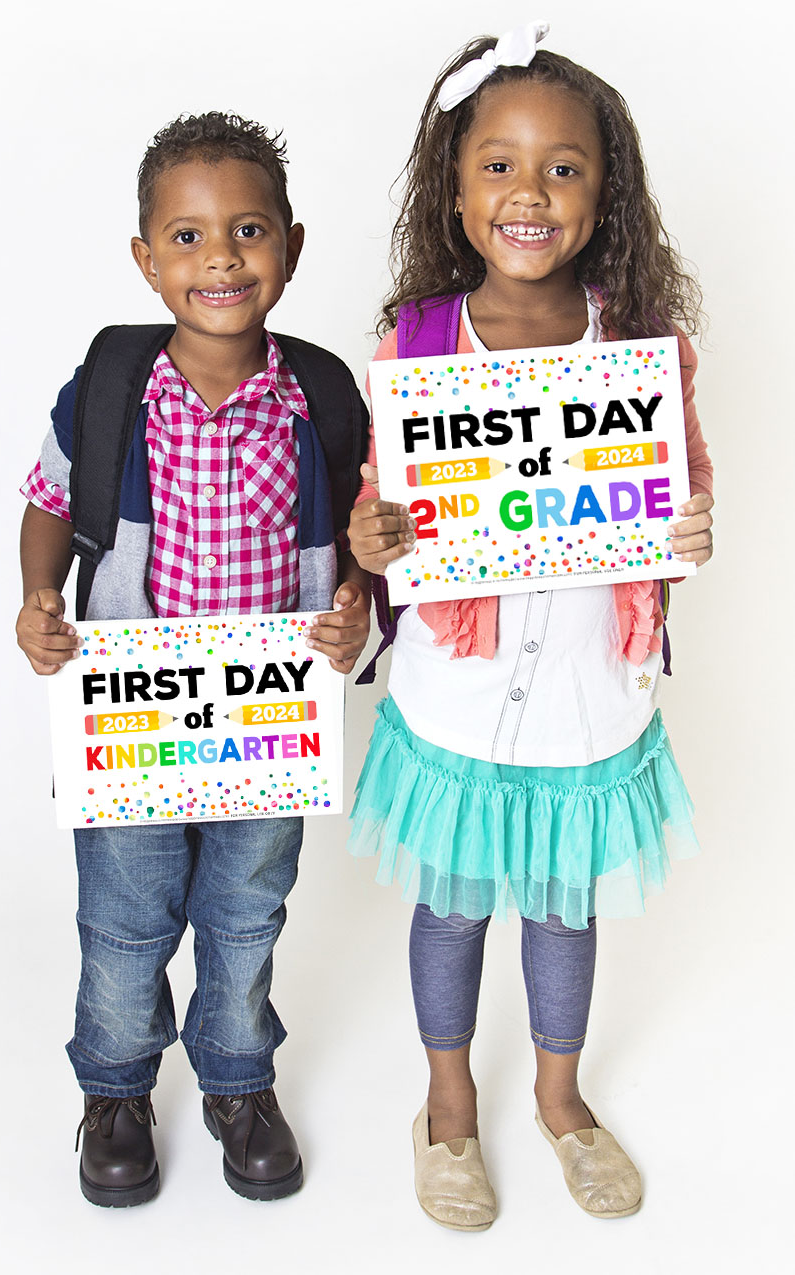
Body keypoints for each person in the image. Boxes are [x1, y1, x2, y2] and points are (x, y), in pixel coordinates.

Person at [347, 25, 713, 1231]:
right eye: (497, 164)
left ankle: (560, 1100)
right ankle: (447, 1102)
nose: (528, 193)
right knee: (450, 906)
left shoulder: (647, 352)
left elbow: (676, 500)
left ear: (603, 193)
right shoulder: (412, 344)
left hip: (584, 705)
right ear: (453, 191)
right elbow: (379, 505)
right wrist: (373, 542)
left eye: (563, 166)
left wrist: (688, 531)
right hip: (455, 696)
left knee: (564, 908)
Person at [16, 111, 370, 1208]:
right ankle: (116, 1089)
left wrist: (356, 608)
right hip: (133, 721)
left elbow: (369, 537)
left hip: (268, 722)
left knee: (246, 908)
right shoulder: (114, 384)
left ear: (292, 248)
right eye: (186, 236)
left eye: (249, 230)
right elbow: (47, 500)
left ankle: (235, 1080)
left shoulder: (321, 399)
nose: (220, 257)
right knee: (125, 918)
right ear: (145, 259)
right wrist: (35, 595)